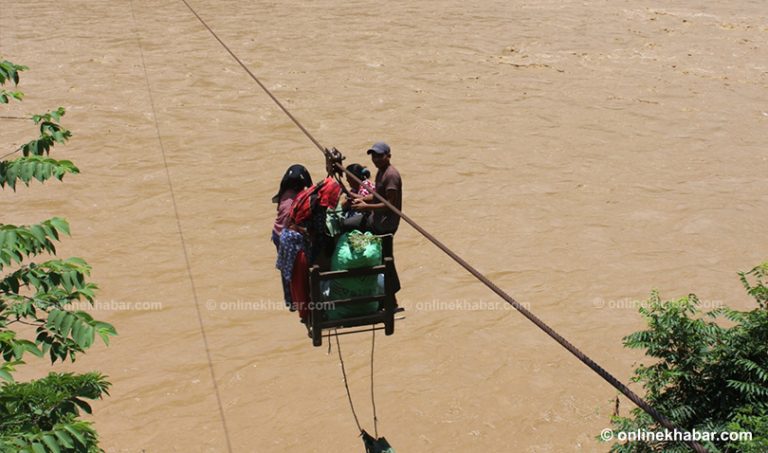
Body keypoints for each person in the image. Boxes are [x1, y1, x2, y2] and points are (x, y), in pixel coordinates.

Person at [272, 164, 312, 308]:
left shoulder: (285, 193)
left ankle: (290, 299)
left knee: (285, 266)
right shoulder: (294, 199)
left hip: (278, 232)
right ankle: (294, 299)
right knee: (290, 266)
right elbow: (291, 224)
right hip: (283, 234)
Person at [352, 142, 402, 235]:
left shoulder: (391, 175)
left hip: (385, 225)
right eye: (374, 156)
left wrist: (366, 207)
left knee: (347, 225)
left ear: (389, 156)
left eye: (379, 156)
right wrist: (362, 199)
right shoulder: (380, 170)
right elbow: (378, 195)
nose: (376, 159)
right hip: (376, 218)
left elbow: (390, 204)